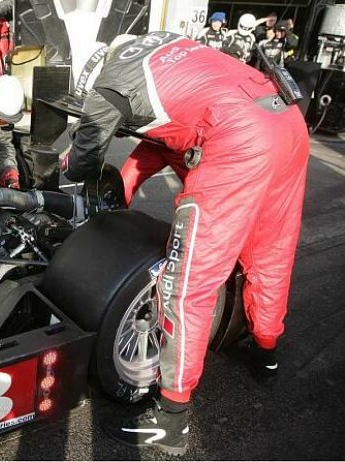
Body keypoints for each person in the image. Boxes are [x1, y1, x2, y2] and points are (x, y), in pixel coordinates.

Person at [61, 31, 309, 455]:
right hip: (286, 123)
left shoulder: (109, 86)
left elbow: (84, 158)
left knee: (187, 284)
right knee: (270, 252)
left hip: (238, 141)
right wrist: (125, 186)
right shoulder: (163, 47)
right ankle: (267, 350)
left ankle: (171, 423)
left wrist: (79, 177)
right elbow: (168, 134)